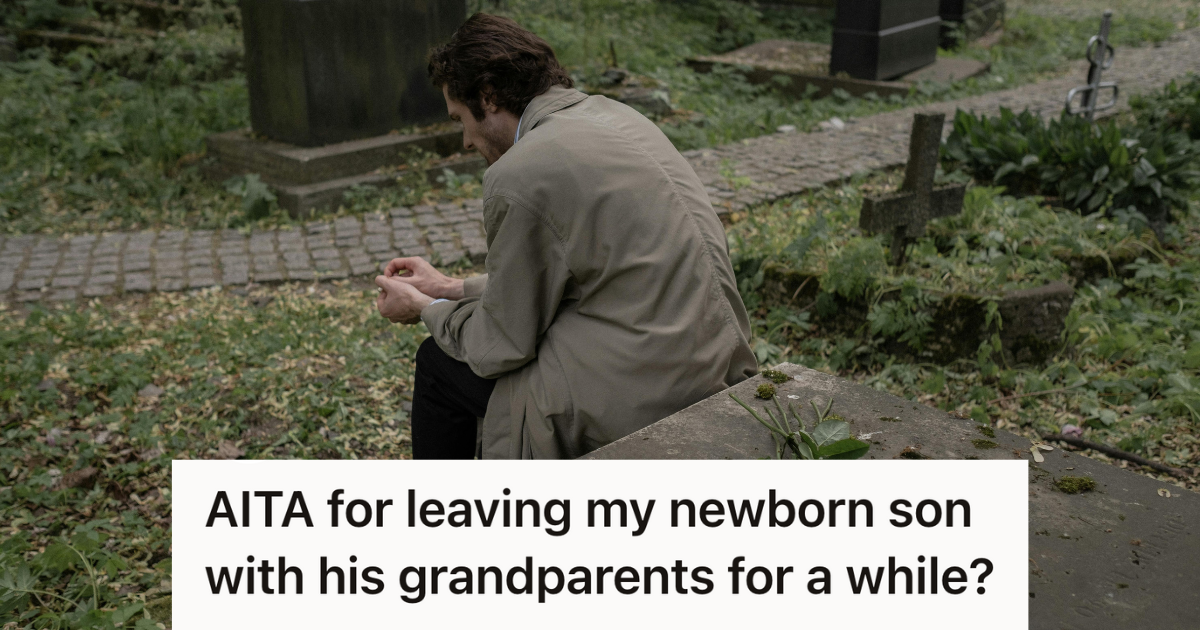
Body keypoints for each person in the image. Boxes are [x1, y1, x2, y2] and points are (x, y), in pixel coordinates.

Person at [374, 13, 757, 459]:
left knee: (438, 364)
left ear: (488, 97)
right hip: (712, 362)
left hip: (644, 392)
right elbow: (587, 271)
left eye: (461, 119)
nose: (465, 140)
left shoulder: (519, 172)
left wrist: (426, 308)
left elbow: (498, 346)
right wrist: (451, 288)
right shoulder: (615, 115)